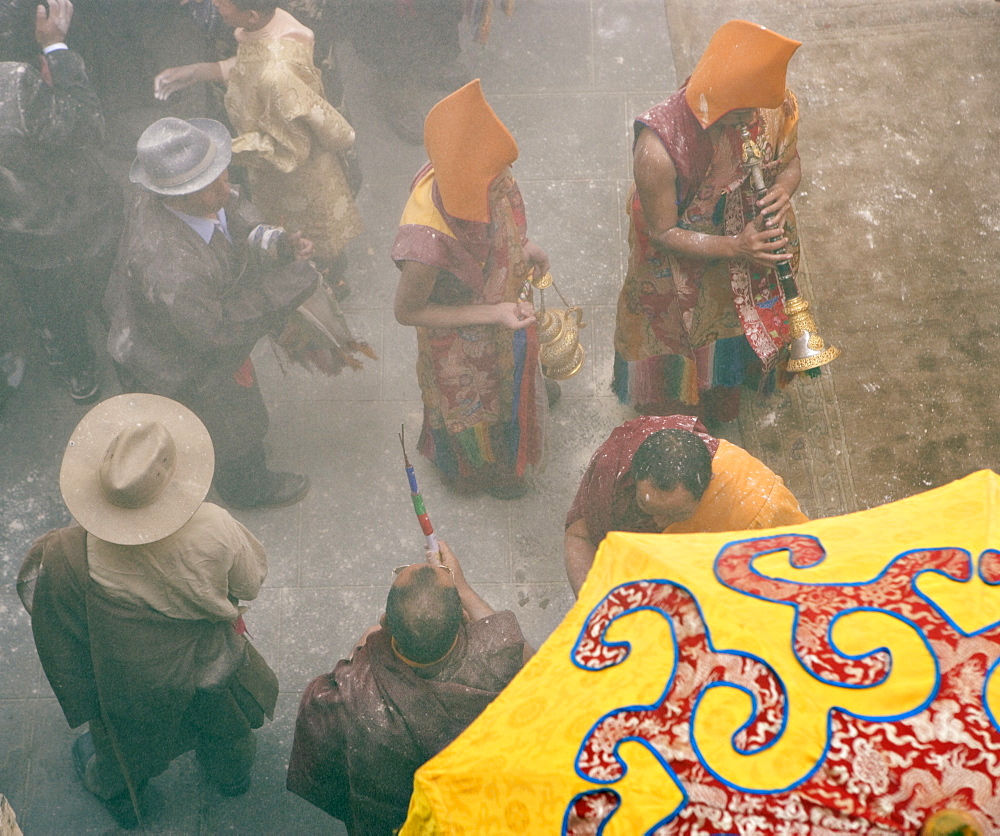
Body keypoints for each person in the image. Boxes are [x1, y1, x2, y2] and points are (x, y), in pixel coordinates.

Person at [18, 394, 279, 828]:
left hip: (130, 673)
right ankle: (231, 776)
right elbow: (249, 584)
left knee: (123, 742)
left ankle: (125, 798)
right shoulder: (214, 526)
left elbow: (60, 621)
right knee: (224, 717)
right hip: (209, 658)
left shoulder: (73, 548)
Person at [105, 116, 319, 509]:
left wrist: (277, 244)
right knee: (229, 426)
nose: (228, 187)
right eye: (211, 185)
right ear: (176, 196)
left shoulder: (198, 196)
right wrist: (281, 290)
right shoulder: (172, 265)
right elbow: (216, 331)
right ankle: (248, 487)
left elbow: (232, 214)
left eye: (222, 173)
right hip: (176, 360)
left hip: (184, 326)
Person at [612, 20, 804, 426]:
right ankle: (681, 410)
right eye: (744, 114)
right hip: (683, 260)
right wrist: (736, 247)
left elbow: (790, 163)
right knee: (680, 340)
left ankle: (732, 388)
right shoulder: (658, 148)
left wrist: (784, 188)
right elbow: (662, 232)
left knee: (737, 332)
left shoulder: (769, 104)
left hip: (753, 246)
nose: (755, 118)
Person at [286, 540, 531, 834]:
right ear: (464, 618)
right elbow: (525, 655)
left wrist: (361, 651)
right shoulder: (499, 655)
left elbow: (318, 728)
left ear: (384, 622)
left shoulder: (354, 692)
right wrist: (462, 588)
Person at [392, 79, 550, 500]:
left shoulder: (479, 181)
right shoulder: (426, 241)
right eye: (496, 181)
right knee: (474, 410)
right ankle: (479, 471)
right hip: (459, 342)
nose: (506, 183)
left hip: (500, 306)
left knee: (510, 386)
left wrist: (523, 247)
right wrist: (493, 313)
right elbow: (407, 312)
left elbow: (499, 225)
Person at [153, 0, 362, 300]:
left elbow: (290, 149)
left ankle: (327, 288)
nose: (215, 5)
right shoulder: (271, 27)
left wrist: (224, 149)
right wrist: (198, 72)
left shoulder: (276, 76)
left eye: (223, 3)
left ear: (250, 16)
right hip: (280, 175)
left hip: (295, 182)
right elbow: (250, 64)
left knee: (310, 242)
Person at [0, 0, 122, 404]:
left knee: (48, 308)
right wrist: (56, 48)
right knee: (95, 290)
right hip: (63, 219)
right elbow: (87, 127)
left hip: (17, 228)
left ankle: (75, 371)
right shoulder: (14, 80)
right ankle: (116, 346)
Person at [564, 415, 808, 595]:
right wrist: (593, 612)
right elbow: (579, 536)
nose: (658, 524)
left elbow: (799, 567)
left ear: (708, 485)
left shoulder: (758, 504)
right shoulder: (615, 471)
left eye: (677, 514)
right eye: (645, 506)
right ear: (632, 476)